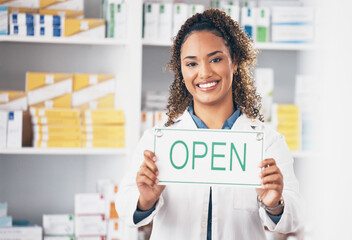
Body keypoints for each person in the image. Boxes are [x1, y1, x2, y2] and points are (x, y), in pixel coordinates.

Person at [116, 9, 303, 240]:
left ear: (234, 61)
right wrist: (145, 199)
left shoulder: (267, 142)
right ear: (182, 71)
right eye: (192, 64)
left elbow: (294, 216)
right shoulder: (159, 139)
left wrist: (275, 203)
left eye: (215, 59)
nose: (204, 73)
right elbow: (125, 208)